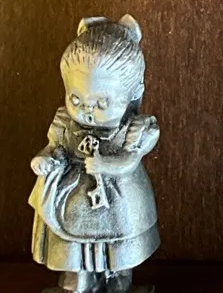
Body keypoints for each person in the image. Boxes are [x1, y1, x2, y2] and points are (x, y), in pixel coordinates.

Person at [30, 16, 159, 291]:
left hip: (119, 199)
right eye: (76, 99)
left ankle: (119, 281)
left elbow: (130, 160)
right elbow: (55, 148)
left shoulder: (135, 129)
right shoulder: (65, 123)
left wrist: (107, 165)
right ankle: (78, 280)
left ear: (134, 94)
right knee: (73, 244)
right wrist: (46, 159)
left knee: (118, 247)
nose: (87, 110)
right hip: (73, 199)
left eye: (102, 103)